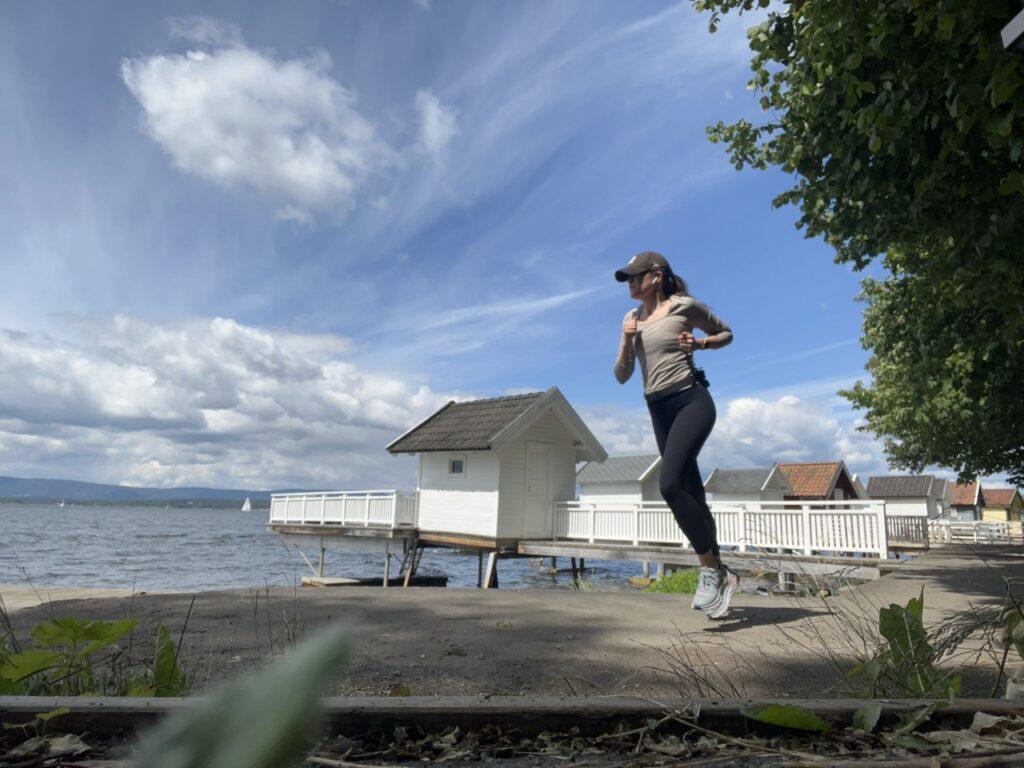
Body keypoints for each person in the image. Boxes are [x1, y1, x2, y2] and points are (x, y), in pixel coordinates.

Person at [612, 251, 737, 619]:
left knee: (669, 485)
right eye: (627, 278)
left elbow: (725, 333)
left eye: (635, 276)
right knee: (691, 491)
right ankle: (722, 573)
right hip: (658, 409)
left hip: (690, 401)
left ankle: (711, 571)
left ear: (656, 276)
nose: (630, 282)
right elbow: (622, 376)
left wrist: (700, 344)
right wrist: (625, 339)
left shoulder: (684, 306)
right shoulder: (631, 319)